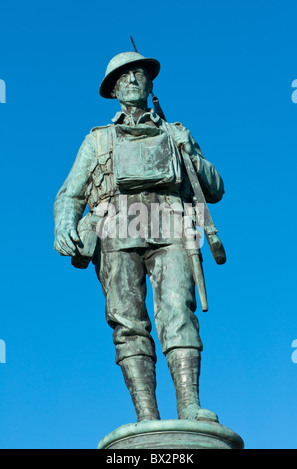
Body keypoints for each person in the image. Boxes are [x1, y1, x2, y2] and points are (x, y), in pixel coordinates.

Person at [54, 52, 225, 422]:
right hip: (116, 229)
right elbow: (70, 194)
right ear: (114, 89)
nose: (133, 79)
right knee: (127, 321)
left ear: (150, 84)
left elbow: (215, 188)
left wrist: (190, 152)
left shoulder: (176, 132)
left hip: (172, 226)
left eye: (140, 74)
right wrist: (64, 223)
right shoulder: (97, 140)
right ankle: (146, 414)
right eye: (124, 76)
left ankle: (190, 406)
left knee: (179, 311)